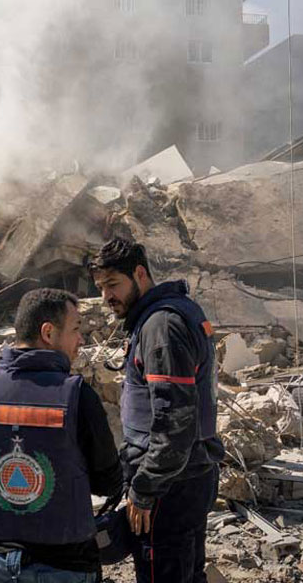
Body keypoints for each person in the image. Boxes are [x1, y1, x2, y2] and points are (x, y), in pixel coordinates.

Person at [0, 288, 123, 583]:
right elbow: (109, 482)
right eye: (75, 329)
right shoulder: (78, 396)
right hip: (63, 566)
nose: (81, 340)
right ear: (48, 333)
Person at [89, 238, 224, 583]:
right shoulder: (167, 314)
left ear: (139, 273)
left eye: (113, 285)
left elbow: (175, 420)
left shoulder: (161, 327)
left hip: (169, 485)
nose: (106, 297)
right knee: (186, 570)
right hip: (186, 475)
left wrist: (145, 489)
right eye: (101, 288)